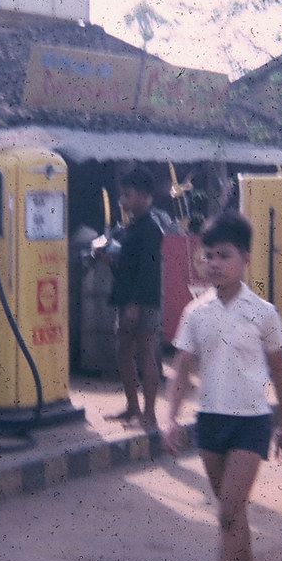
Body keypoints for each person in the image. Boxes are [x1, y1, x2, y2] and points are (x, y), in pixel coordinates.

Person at [161, 210, 282, 561]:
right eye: (209, 256)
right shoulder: (195, 313)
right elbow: (181, 370)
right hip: (210, 425)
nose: (215, 263)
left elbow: (280, 375)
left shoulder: (263, 314)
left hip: (251, 423)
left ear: (245, 259)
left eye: (225, 255)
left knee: (228, 514)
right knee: (232, 516)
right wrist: (170, 418)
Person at [106, 165, 163, 429]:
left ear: (142, 195)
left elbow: (148, 270)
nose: (122, 200)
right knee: (122, 353)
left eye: (127, 195)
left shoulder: (150, 228)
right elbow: (127, 265)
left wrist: (134, 305)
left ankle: (149, 415)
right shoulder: (132, 226)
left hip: (141, 303)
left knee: (145, 354)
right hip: (127, 299)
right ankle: (132, 407)